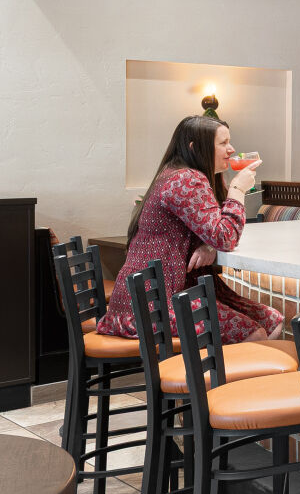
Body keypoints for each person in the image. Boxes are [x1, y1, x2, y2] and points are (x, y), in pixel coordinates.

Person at [97, 115, 283, 342]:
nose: (232, 149)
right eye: (223, 143)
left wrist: (208, 245)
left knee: (272, 320)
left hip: (173, 289)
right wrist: (238, 189)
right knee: (255, 332)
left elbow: (213, 232)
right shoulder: (186, 179)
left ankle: (221, 364)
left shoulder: (181, 174)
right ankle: (210, 367)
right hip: (152, 302)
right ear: (195, 148)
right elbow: (225, 238)